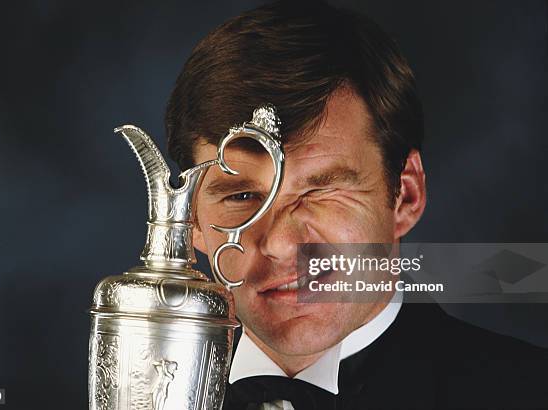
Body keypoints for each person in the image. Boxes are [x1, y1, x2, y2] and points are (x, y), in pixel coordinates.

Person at [164, 1, 548, 409]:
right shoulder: (139, 389)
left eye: (321, 191)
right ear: (192, 223)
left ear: (406, 196)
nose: (278, 243)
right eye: (241, 196)